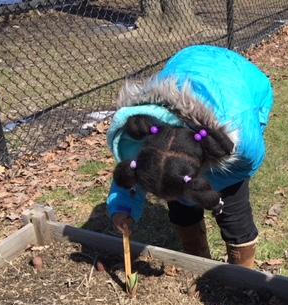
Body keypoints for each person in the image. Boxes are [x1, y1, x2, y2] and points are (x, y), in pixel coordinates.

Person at [106, 45, 274, 267]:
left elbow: (247, 165)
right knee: (181, 207)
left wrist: (205, 190)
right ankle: (197, 263)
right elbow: (132, 173)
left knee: (233, 209)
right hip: (185, 63)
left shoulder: (241, 136)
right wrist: (122, 209)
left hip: (241, 81)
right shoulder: (141, 128)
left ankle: (243, 274)